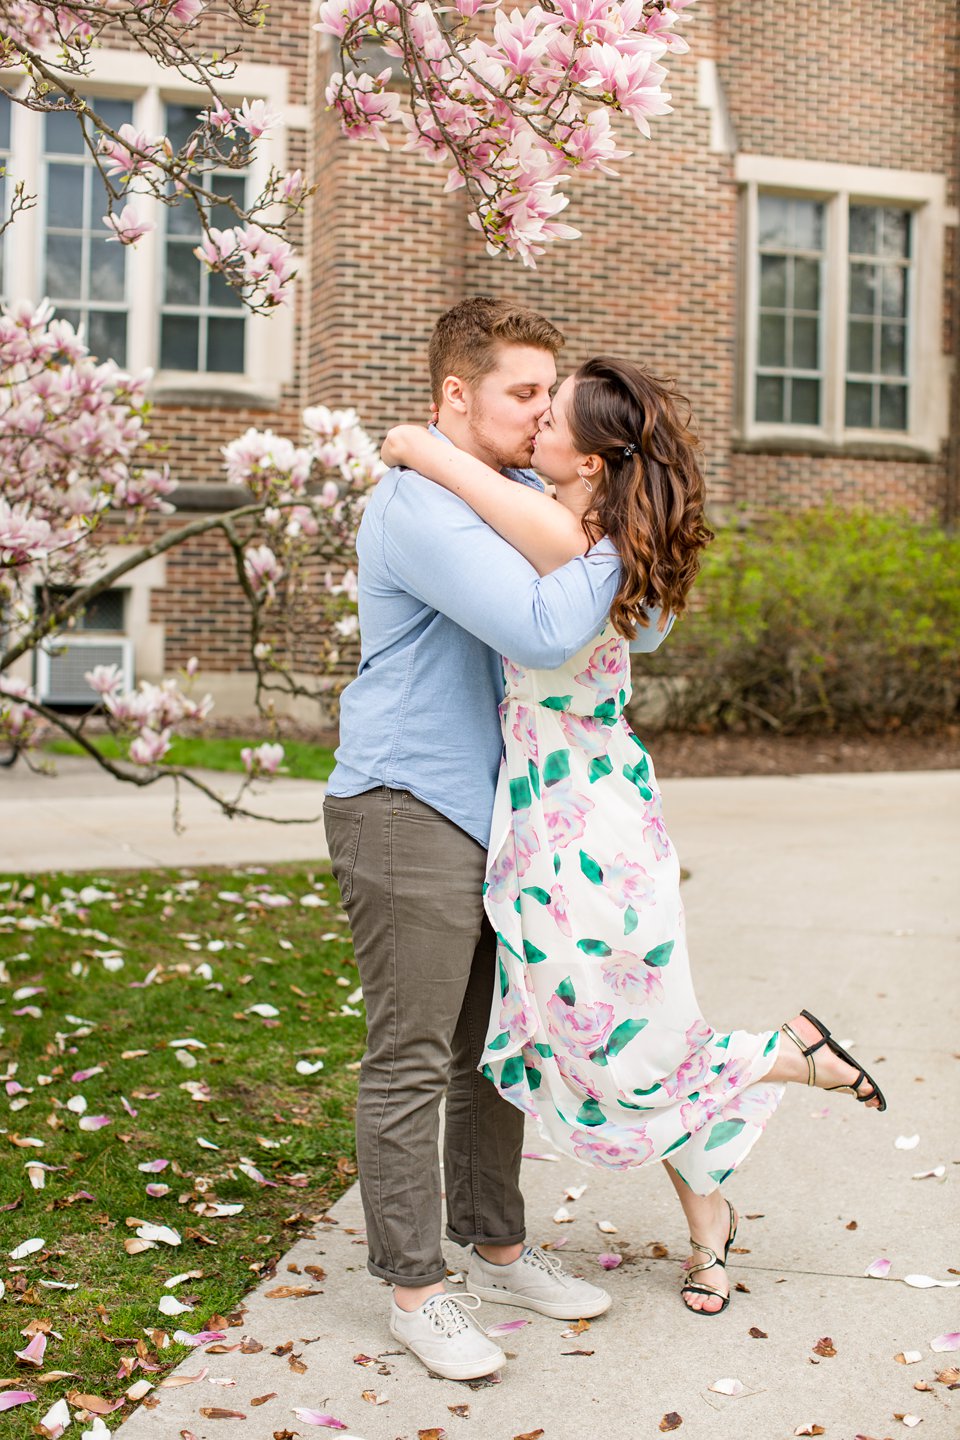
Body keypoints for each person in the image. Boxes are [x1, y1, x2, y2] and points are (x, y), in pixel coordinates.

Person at [380, 353, 887, 1321]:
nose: (534, 427)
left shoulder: (589, 537)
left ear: (598, 460)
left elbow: (488, 500)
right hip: (568, 801)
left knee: (612, 1038)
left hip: (579, 817)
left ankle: (784, 1056)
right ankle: (712, 1224)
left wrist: (421, 447)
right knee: (637, 1027)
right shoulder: (607, 527)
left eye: (552, 415)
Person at [323, 298, 676, 1382]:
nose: (540, 414)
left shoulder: (522, 491)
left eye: (548, 395)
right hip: (409, 798)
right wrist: (589, 538)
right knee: (415, 1055)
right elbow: (544, 625)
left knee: (492, 1055)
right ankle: (416, 1288)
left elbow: (644, 614)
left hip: (507, 812)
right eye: (523, 393)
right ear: (452, 398)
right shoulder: (421, 503)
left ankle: (497, 1244)